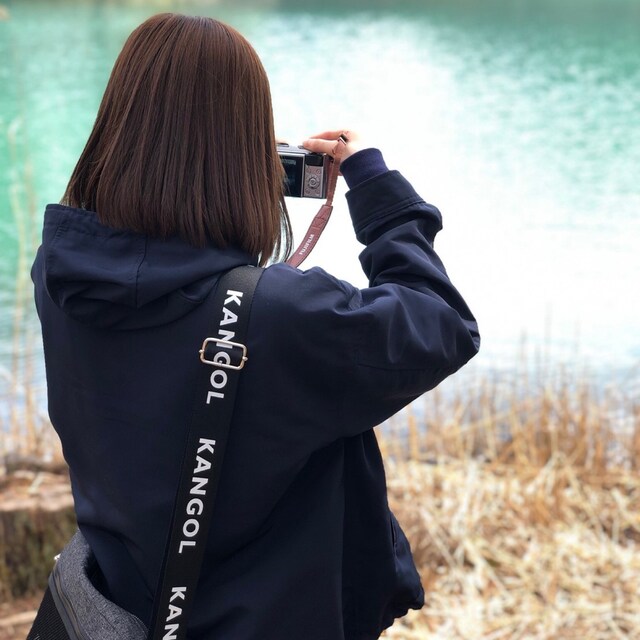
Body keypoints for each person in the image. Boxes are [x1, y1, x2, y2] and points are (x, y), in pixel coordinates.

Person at [31, 12, 480, 640]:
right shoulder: (279, 319)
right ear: (243, 158)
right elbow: (442, 322)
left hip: (126, 610)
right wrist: (375, 186)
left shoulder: (60, 277)